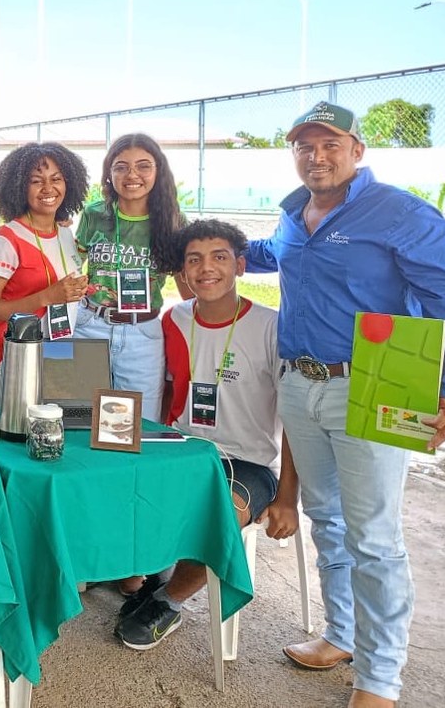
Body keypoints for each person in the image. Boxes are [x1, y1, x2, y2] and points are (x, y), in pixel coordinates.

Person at [247, 101, 445, 708]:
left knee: (374, 536)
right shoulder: (293, 214)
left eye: (330, 145)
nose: (316, 156)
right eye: (304, 146)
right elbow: (270, 252)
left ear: (357, 150)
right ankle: (341, 634)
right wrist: (207, 250)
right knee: (327, 517)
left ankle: (379, 680)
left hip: (380, 379)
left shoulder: (401, 213)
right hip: (300, 382)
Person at [115, 218, 300, 650]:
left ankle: (168, 600)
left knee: (219, 513)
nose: (206, 268)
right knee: (120, 489)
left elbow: (295, 419)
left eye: (219, 257)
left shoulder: (272, 327)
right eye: (194, 260)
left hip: (247, 463)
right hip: (180, 450)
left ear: (240, 265)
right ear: (182, 272)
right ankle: (150, 574)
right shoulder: (173, 319)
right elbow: (161, 391)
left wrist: (288, 497)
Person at [73, 133, 187, 425]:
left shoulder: (173, 221)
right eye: (121, 166)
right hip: (90, 327)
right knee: (80, 421)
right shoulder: (94, 214)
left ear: (158, 170)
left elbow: (187, 287)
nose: (132, 175)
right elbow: (70, 265)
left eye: (143, 166)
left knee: (132, 426)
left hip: (142, 335)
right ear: (109, 173)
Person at [0, 143, 89, 408]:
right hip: (7, 360)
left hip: (52, 357)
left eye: (56, 179)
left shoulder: (65, 235)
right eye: (36, 181)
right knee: (9, 434)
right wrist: (46, 297)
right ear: (19, 187)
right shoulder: (7, 238)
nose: (48, 188)